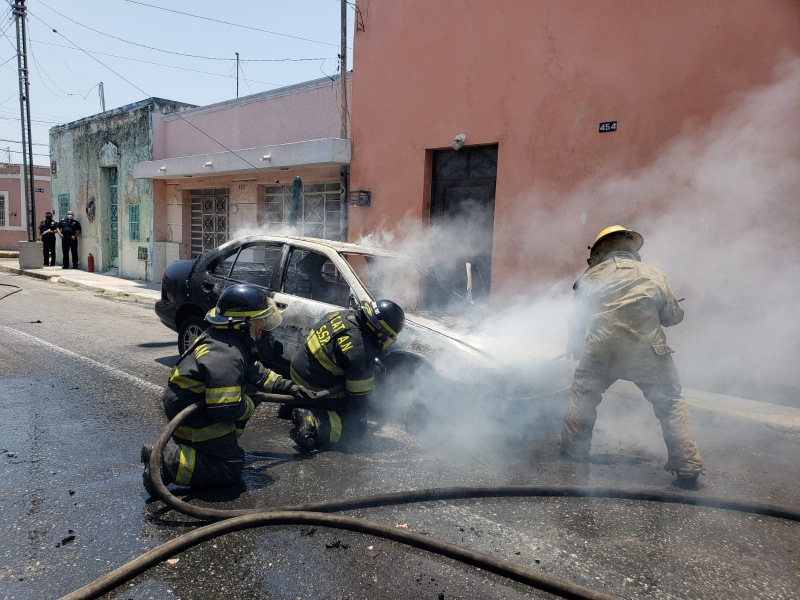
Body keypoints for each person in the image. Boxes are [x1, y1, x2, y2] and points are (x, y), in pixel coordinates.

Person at [561, 225, 703, 484]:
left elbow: (575, 318)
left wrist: (574, 344)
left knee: (583, 393)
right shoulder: (655, 275)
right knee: (670, 403)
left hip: (602, 349)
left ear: (599, 250)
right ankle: (688, 465)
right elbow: (672, 317)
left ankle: (574, 451)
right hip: (649, 352)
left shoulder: (589, 277)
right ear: (631, 248)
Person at [141, 283, 315, 495]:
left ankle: (204, 449)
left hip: (193, 405)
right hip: (193, 417)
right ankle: (166, 462)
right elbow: (224, 407)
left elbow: (257, 373)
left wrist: (290, 388)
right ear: (244, 323)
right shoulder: (228, 356)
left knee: (248, 391)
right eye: (259, 320)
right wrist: (252, 402)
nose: (263, 325)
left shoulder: (229, 340)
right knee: (229, 468)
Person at [289, 299, 405, 451]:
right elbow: (357, 400)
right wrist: (361, 421)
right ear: (379, 331)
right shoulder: (360, 351)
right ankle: (313, 421)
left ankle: (291, 405)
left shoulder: (343, 314)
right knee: (356, 429)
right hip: (312, 386)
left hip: (297, 370)